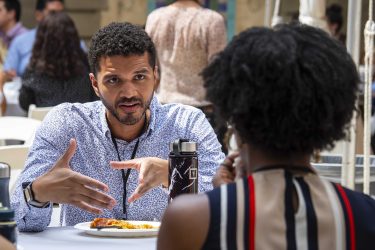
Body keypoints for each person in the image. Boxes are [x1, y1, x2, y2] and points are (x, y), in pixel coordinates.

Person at [157, 24, 375, 249]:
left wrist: (224, 198)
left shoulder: (190, 218)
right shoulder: (364, 214)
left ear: (236, 121)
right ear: (331, 119)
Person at [10, 22, 224, 232]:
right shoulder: (67, 123)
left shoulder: (187, 123)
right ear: (94, 84)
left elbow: (225, 202)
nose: (129, 92)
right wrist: (36, 193)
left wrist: (175, 175)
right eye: (114, 80)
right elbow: (21, 220)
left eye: (139, 77)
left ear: (155, 76)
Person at [145, 0, 227, 150]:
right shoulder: (212, 20)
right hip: (202, 112)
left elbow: (150, 67)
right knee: (202, 170)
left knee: (168, 169)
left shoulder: (155, 18)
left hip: (165, 110)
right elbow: (218, 71)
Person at [18, 12, 97, 111]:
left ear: (41, 40)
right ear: (74, 38)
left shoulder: (33, 72)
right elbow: (96, 99)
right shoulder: (87, 66)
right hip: (81, 124)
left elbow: (24, 103)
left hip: (45, 124)